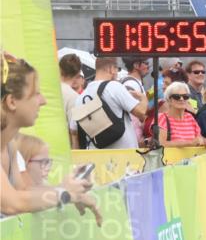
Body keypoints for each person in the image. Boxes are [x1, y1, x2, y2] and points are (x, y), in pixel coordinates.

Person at [1, 53, 99, 221]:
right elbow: (11, 203)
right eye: (36, 94)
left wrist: (66, 188)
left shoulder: (9, 145)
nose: (43, 101)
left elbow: (24, 192)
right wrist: (64, 193)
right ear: (11, 102)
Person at [71, 56, 147, 149]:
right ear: (111, 69)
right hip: (125, 154)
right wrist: (143, 98)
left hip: (97, 154)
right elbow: (141, 112)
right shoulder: (114, 86)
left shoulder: (79, 99)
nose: (117, 73)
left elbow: (74, 132)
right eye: (117, 69)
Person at [156, 82, 206, 149]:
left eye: (185, 96)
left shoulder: (190, 117)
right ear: (169, 100)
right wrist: (190, 143)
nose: (181, 99)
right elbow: (162, 144)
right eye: (176, 97)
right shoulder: (162, 118)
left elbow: (198, 139)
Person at [121, 56, 150, 142]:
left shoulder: (133, 82)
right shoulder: (131, 83)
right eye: (146, 63)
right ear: (136, 65)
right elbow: (135, 112)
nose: (148, 66)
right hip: (132, 136)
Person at [59, 54, 83, 148]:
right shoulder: (74, 97)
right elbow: (74, 132)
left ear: (60, 69)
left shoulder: (46, 90)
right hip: (63, 148)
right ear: (78, 73)